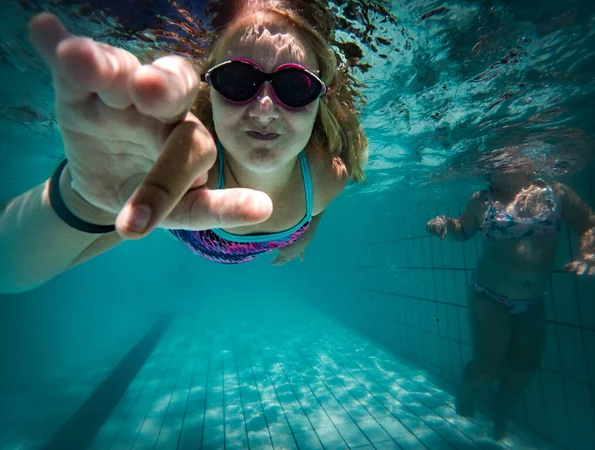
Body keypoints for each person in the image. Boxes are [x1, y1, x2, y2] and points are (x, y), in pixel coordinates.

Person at [0, 1, 368, 293]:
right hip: (184, 224)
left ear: (321, 97)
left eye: (294, 85)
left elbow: (316, 208)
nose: (264, 109)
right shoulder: (182, 174)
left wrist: (304, 238)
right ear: (210, 88)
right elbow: (8, 272)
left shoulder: (325, 177)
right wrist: (82, 197)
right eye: (238, 79)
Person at [425, 149, 595, 440]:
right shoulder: (483, 201)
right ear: (487, 171)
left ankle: (501, 413)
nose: (506, 160)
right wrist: (445, 223)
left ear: (531, 164)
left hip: (533, 301)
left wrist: (591, 255)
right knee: (487, 366)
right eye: (497, 158)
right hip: (488, 296)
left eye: (515, 155)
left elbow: (590, 223)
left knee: (524, 368)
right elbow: (462, 230)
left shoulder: (557, 194)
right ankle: (466, 392)